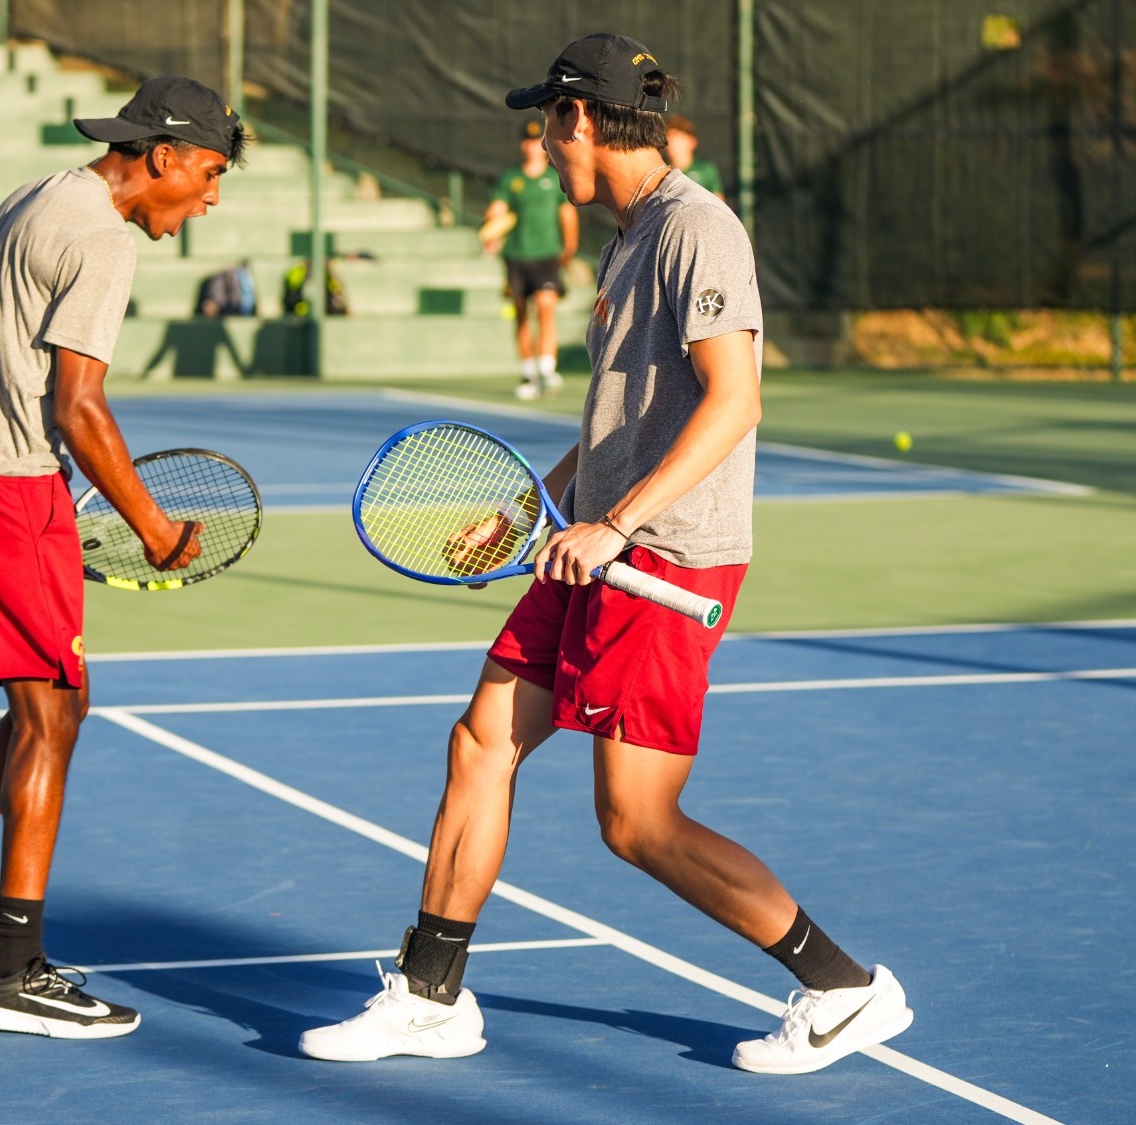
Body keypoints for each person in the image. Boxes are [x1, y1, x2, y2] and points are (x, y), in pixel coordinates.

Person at [297, 34, 913, 1076]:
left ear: (580, 122)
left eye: (545, 122)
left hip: (658, 563)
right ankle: (432, 996)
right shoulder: (629, 237)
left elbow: (735, 401)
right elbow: (622, 419)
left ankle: (842, 987)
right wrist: (532, 504)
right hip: (587, 547)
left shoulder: (694, 232)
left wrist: (614, 524)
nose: (540, 141)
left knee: (634, 823)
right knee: (479, 741)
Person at [0, 76, 247, 1039]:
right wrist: (153, 526)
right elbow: (79, 406)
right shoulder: (102, 238)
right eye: (207, 172)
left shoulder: (41, 194)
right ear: (159, 155)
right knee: (51, 715)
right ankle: (11, 968)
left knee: (55, 704)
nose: (210, 198)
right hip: (1, 487)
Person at [483, 118, 577, 400]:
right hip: (516, 256)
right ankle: (529, 372)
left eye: (536, 142)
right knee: (522, 314)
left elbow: (567, 214)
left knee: (546, 307)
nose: (531, 147)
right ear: (521, 145)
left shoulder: (554, 176)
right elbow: (497, 210)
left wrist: (569, 248)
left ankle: (547, 368)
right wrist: (491, 229)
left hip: (547, 255)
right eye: (526, 141)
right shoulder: (511, 179)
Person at [665, 114, 726, 201]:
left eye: (677, 139)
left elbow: (719, 203)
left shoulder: (707, 169)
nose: (672, 144)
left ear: (692, 141)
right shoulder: (663, 172)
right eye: (668, 139)